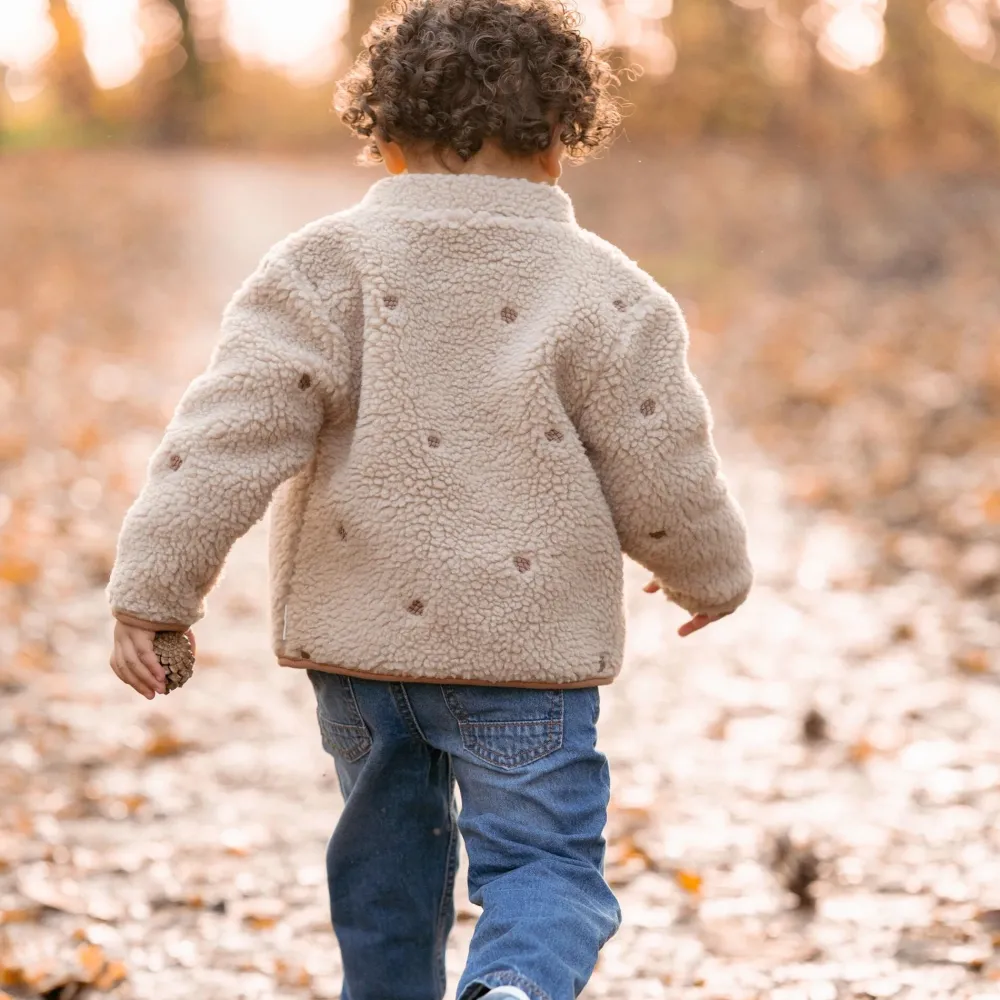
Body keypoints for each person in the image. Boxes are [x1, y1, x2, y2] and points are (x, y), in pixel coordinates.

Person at [106, 0, 753, 996]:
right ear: (559, 143)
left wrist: (155, 591)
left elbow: (227, 433)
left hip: (361, 656)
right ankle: (515, 985)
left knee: (387, 874)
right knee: (544, 866)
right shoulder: (611, 293)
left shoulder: (321, 268)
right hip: (526, 659)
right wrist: (708, 573)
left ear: (388, 139)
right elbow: (661, 458)